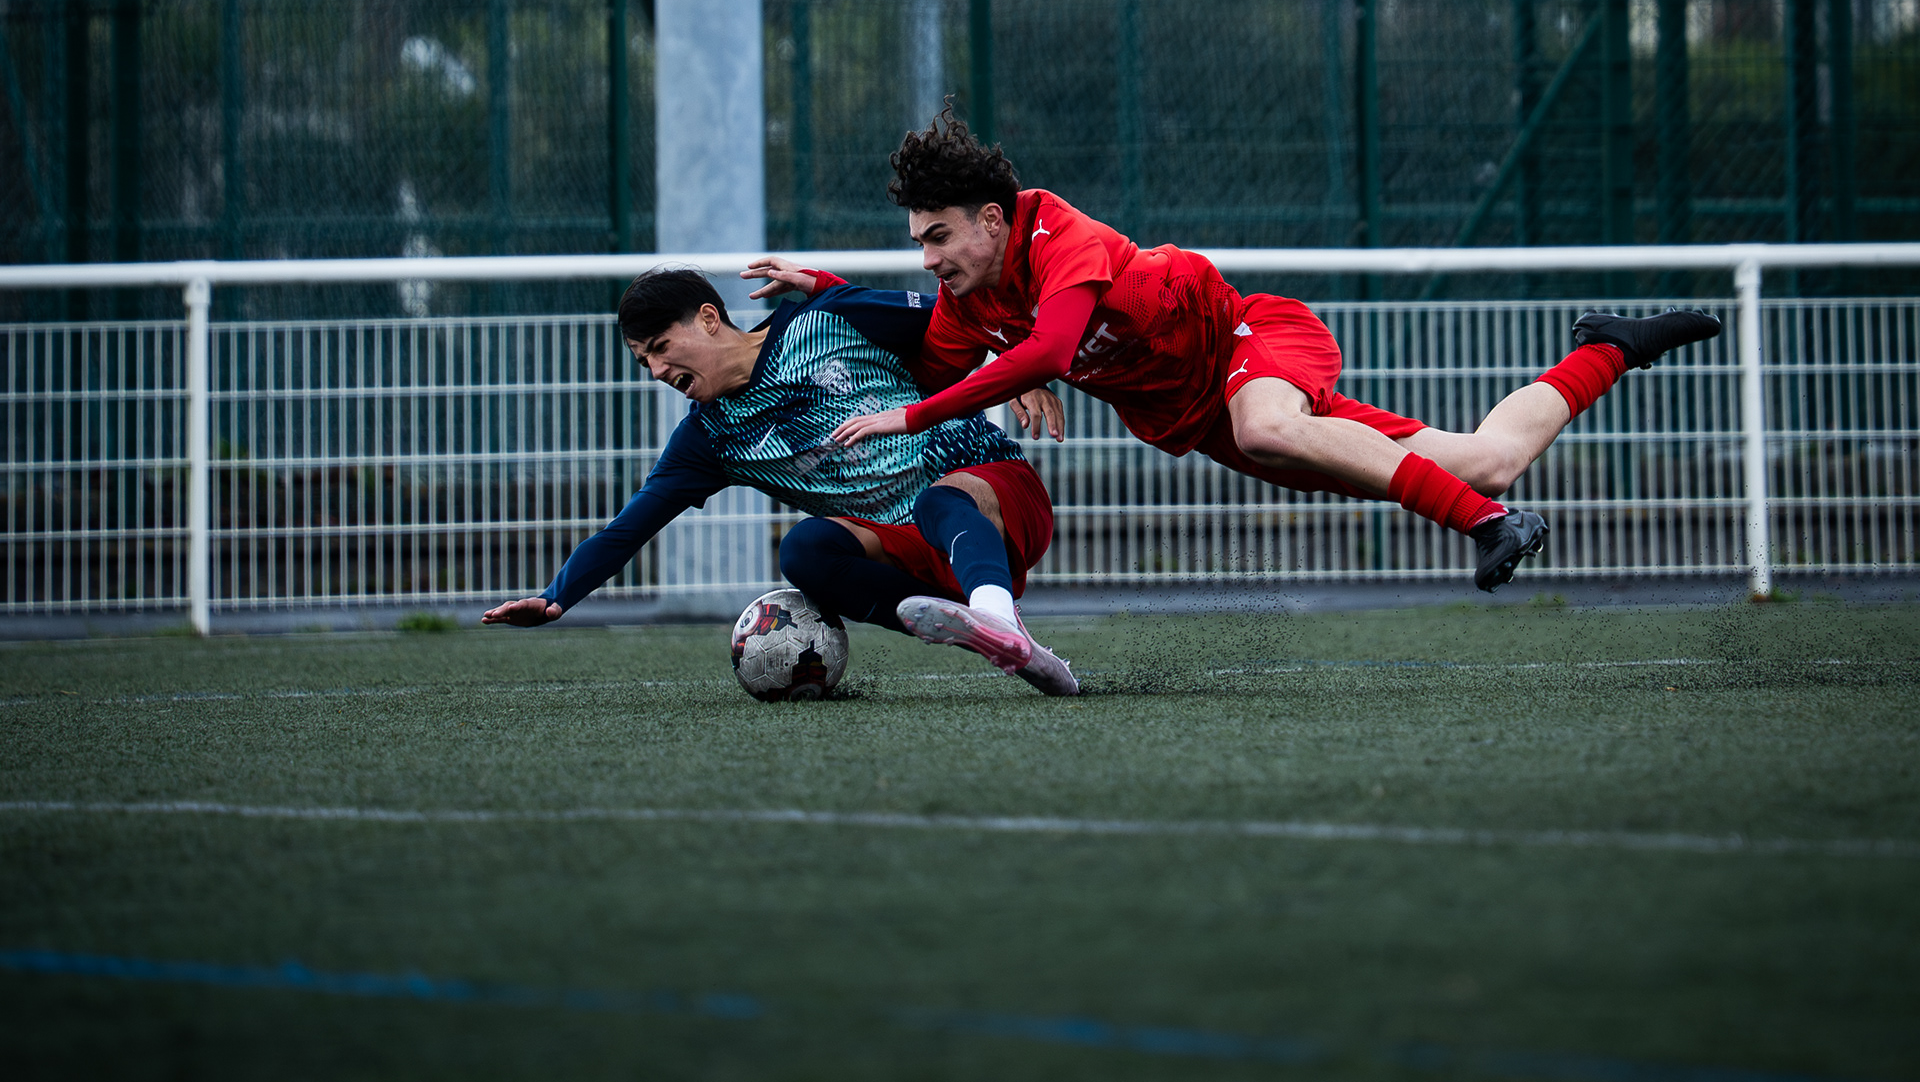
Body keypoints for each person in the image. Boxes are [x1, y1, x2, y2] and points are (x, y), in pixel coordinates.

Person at [769, 107, 1720, 594]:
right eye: (917, 243)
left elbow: (1050, 348)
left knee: (1272, 426)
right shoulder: (969, 302)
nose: (927, 258)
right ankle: (1612, 350)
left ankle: (1489, 525)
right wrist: (833, 294)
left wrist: (919, 413)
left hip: (1253, 341)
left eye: (937, 237)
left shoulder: (1062, 236)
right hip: (1210, 420)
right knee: (1487, 457)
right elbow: (934, 351)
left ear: (991, 218)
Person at [481, 265, 1079, 695]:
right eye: (645, 362)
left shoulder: (824, 321)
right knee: (803, 550)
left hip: (996, 496)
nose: (657, 370)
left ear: (708, 319)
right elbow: (627, 528)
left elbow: (961, 318)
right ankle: (977, 628)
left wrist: (1019, 374)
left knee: (938, 502)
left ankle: (998, 621)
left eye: (661, 348)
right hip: (911, 548)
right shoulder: (709, 439)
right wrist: (557, 597)